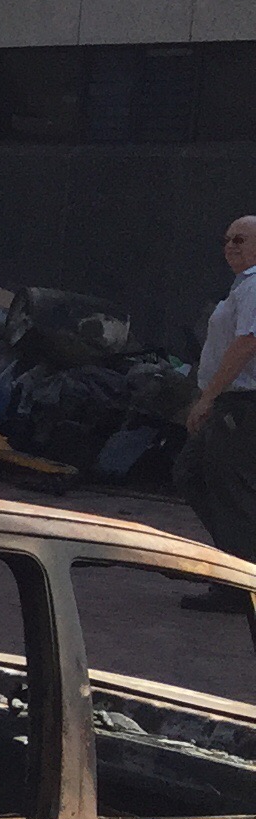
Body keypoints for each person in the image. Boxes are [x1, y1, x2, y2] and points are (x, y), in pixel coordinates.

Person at [182, 215, 256, 602]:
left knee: (229, 492)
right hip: (231, 402)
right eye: (227, 239)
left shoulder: (255, 285)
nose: (230, 246)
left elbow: (247, 343)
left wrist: (208, 397)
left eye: (240, 240)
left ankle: (239, 586)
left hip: (240, 405)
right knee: (192, 473)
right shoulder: (242, 286)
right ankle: (236, 566)